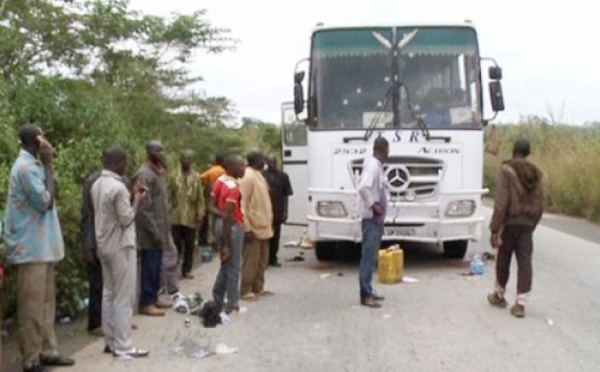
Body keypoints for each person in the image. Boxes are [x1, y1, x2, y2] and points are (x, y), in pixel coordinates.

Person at [3, 123, 75, 371]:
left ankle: (48, 351)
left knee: (46, 305)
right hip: (29, 248)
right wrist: (49, 164)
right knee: (32, 307)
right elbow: (46, 202)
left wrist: (44, 165)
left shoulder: (32, 166)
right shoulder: (25, 168)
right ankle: (30, 358)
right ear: (37, 140)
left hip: (41, 247)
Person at [91, 146, 149, 358]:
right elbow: (126, 219)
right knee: (124, 297)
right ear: (116, 163)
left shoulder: (97, 184)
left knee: (108, 294)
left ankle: (110, 341)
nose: (125, 166)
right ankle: (124, 346)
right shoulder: (117, 187)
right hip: (121, 246)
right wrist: (137, 200)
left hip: (103, 244)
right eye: (123, 162)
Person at [487, 138, 544, 318]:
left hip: (510, 222)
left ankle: (499, 295)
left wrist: (495, 228)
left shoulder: (507, 171)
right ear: (528, 153)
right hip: (528, 223)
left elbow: (501, 203)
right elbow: (540, 203)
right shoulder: (537, 174)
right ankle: (520, 304)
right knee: (525, 262)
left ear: (514, 151)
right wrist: (532, 224)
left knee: (503, 258)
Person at [133, 140, 177, 316]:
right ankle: (146, 302)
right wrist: (154, 232)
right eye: (157, 151)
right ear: (149, 152)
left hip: (161, 228)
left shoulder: (157, 172)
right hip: (149, 231)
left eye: (162, 150)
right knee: (149, 266)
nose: (161, 153)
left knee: (157, 265)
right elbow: (143, 207)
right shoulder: (144, 175)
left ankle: (153, 297)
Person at [210, 155, 246, 313]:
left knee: (226, 263)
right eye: (241, 166)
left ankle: (218, 296)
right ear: (232, 167)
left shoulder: (220, 181)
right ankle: (232, 302)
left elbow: (210, 206)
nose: (244, 169)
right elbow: (229, 215)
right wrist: (226, 244)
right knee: (233, 266)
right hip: (230, 227)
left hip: (220, 224)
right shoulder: (233, 188)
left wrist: (221, 215)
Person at [357, 137, 389, 308]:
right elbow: (363, 187)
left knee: (371, 256)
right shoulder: (373, 166)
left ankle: (369, 289)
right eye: (387, 152)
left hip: (376, 220)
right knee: (368, 257)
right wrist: (374, 205)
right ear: (382, 150)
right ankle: (365, 295)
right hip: (371, 219)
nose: (387, 156)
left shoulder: (376, 166)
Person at [239, 149, 274, 300]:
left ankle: (258, 287)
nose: (264, 162)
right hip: (252, 227)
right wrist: (246, 228)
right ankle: (245, 290)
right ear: (255, 160)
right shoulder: (247, 176)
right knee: (251, 261)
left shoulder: (259, 175)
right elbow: (242, 204)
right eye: (262, 159)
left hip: (264, 227)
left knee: (262, 260)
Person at [169, 149, 205, 280]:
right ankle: (173, 269)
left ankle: (187, 269)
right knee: (176, 244)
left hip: (190, 216)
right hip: (176, 216)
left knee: (190, 245)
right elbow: (169, 194)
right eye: (184, 158)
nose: (186, 161)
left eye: (188, 159)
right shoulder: (173, 176)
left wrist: (200, 215)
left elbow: (200, 198)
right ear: (180, 160)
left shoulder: (196, 177)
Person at [81, 168, 103, 336]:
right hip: (95, 240)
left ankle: (110, 321)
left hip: (110, 240)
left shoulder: (121, 180)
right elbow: (87, 216)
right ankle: (95, 323)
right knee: (96, 283)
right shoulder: (93, 181)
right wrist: (88, 245)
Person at [263, 154, 293, 267]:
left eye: (274, 162)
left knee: (276, 236)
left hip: (277, 211)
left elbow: (286, 195)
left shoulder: (283, 176)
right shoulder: (262, 176)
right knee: (266, 236)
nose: (272, 164)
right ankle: (265, 259)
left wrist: (285, 211)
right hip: (265, 211)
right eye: (270, 162)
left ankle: (273, 258)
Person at [200, 154, 226, 249]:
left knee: (212, 219)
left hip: (211, 196)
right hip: (221, 197)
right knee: (220, 218)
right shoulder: (223, 171)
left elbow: (201, 178)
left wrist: (206, 185)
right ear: (223, 162)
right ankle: (218, 240)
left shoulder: (210, 171)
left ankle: (213, 240)